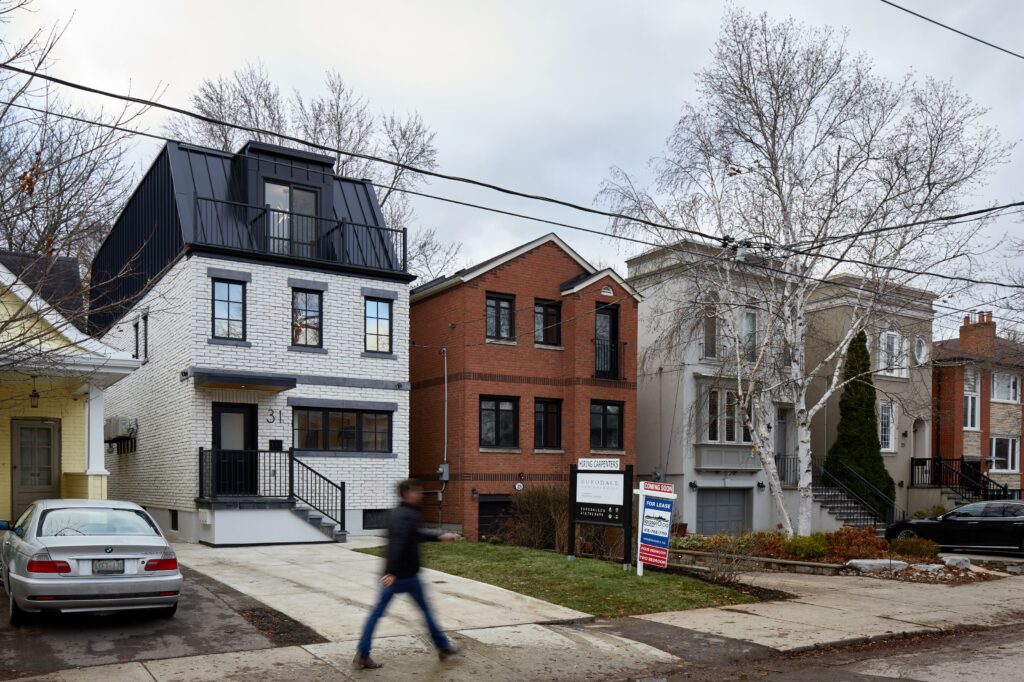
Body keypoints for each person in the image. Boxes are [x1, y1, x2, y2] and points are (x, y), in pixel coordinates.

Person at [353, 478, 461, 669]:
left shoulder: (398, 513)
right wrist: (393, 572)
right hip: (403, 576)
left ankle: (363, 654)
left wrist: (438, 536)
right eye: (416, 491)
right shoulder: (407, 515)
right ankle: (443, 647)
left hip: (398, 574)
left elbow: (415, 535)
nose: (420, 494)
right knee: (424, 611)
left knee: (377, 614)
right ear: (406, 494)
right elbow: (399, 543)